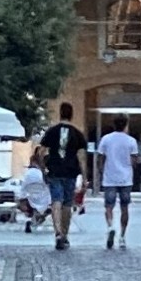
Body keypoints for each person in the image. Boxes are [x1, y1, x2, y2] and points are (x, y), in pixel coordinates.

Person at [33, 104, 88, 251]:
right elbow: (81, 157)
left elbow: (40, 152)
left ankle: (57, 232)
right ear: (72, 114)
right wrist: (84, 177)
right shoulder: (77, 134)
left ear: (60, 113)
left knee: (56, 201)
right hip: (70, 172)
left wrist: (43, 169)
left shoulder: (52, 131)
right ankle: (65, 234)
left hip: (55, 171)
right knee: (67, 204)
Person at [95, 117, 141, 247]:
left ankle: (110, 226)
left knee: (109, 206)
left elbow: (100, 158)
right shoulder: (131, 141)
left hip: (110, 178)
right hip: (125, 179)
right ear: (126, 125)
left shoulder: (106, 139)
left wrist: (101, 171)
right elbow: (134, 161)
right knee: (124, 208)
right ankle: (122, 237)